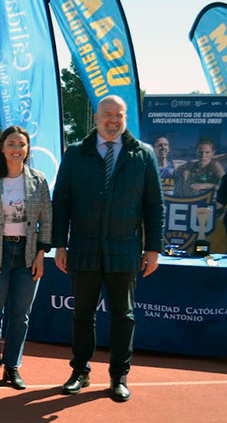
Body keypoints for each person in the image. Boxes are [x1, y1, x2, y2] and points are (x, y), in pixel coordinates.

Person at [53, 95, 163, 402]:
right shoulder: (76, 153)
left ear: (125, 118)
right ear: (96, 117)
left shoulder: (143, 155)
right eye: (107, 115)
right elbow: (61, 202)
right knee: (82, 314)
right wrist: (59, 244)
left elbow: (154, 205)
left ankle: (119, 375)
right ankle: (80, 371)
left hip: (124, 249)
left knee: (123, 316)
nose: (113, 120)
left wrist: (153, 248)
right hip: (84, 247)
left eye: (119, 115)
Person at [0, 126, 52, 391]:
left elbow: (47, 221)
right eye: (11, 144)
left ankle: (12, 366)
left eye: (21, 145)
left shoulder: (38, 180)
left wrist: (41, 255)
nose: (16, 149)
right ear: (2, 148)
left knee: (20, 315)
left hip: (27, 255)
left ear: (27, 149)